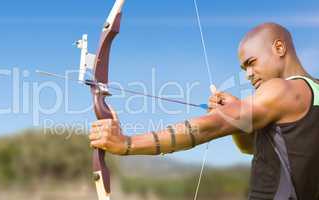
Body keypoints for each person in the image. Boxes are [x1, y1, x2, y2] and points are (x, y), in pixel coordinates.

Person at [89, 22, 319, 200]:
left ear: (279, 47)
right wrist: (237, 117)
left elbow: (210, 126)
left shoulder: (282, 89)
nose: (248, 74)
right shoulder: (312, 90)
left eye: (251, 62)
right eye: (243, 68)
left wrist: (126, 143)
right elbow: (252, 147)